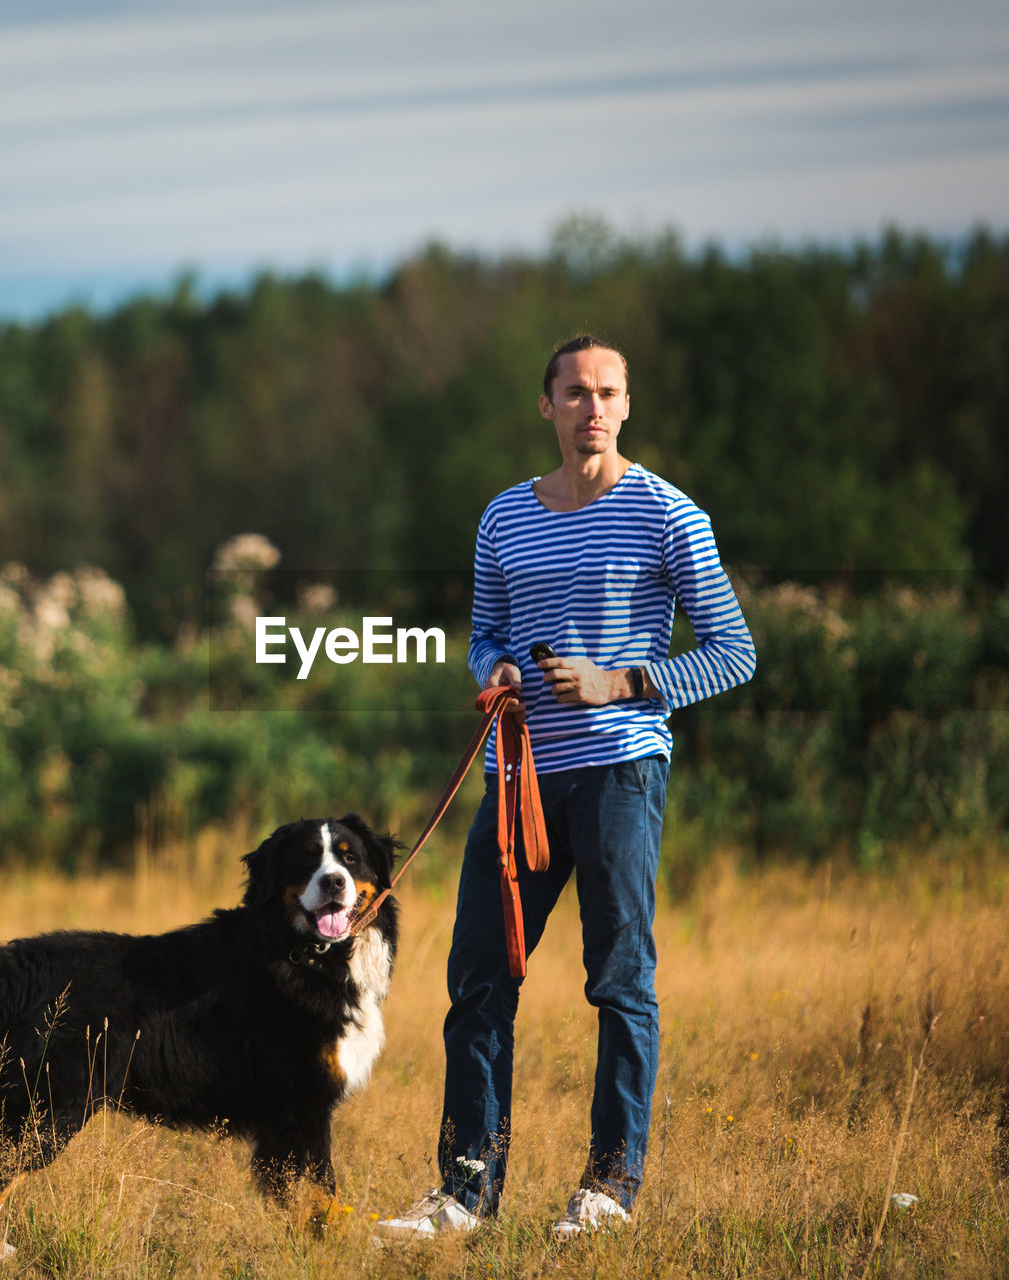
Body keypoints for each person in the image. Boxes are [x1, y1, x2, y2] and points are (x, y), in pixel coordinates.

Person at [378, 335, 756, 1241]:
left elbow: (733, 652)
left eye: (609, 392)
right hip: (519, 779)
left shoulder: (671, 516)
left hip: (622, 770)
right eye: (576, 392)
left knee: (618, 981)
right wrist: (498, 666)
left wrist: (617, 680)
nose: (593, 406)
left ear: (627, 406)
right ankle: (466, 1194)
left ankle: (608, 1191)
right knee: (476, 982)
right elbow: (481, 635)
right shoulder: (504, 517)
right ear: (544, 406)